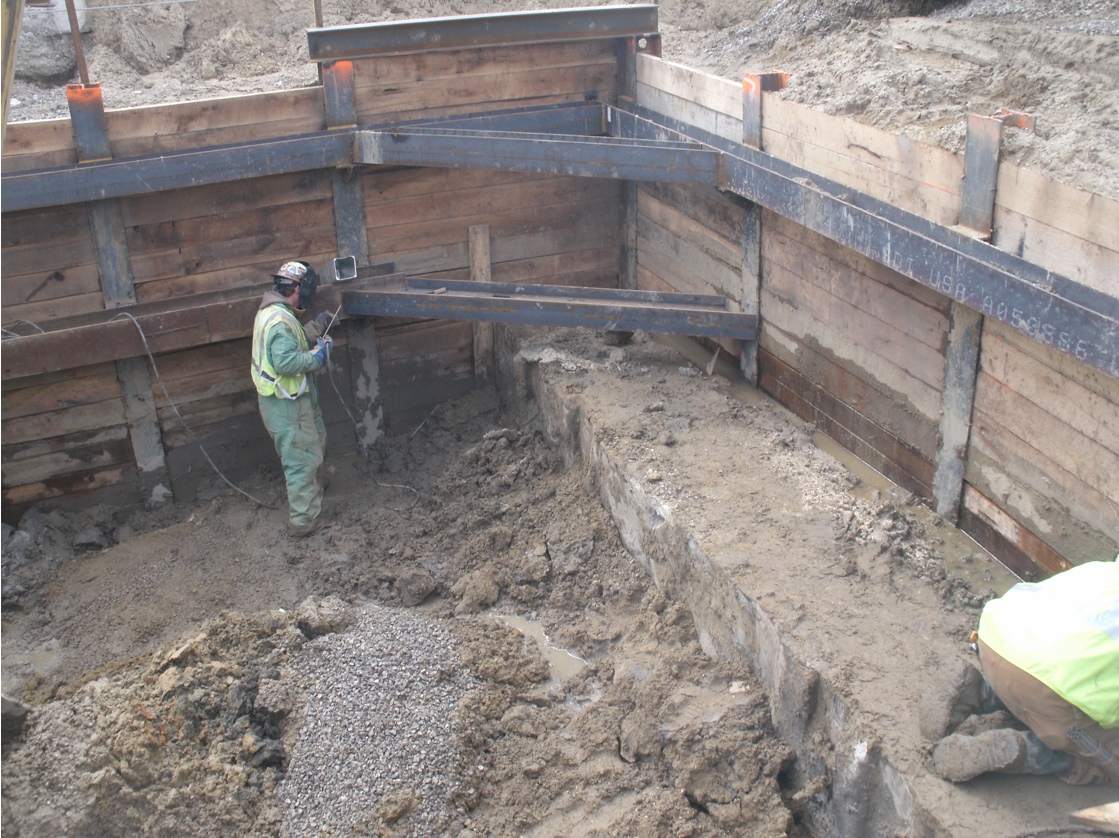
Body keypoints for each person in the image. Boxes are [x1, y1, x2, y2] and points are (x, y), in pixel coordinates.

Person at [921, 558, 1119, 785]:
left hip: (995, 640)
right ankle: (1027, 750)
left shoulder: (1100, 570)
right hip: (1047, 688)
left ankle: (981, 691)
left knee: (1044, 677)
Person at [251, 260, 335, 537]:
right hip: (285, 405)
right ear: (298, 288)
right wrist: (319, 355)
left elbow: (291, 340)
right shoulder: (279, 321)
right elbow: (287, 363)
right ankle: (304, 522)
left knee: (316, 441)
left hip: (294, 399)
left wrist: (314, 328)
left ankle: (317, 486)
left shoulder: (275, 311)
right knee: (301, 462)